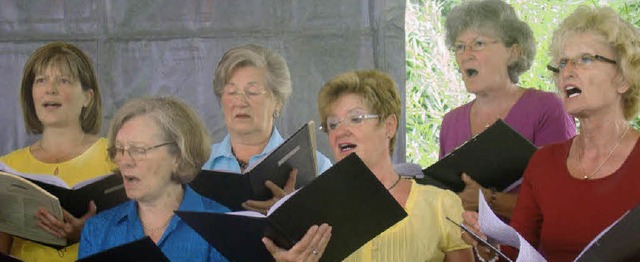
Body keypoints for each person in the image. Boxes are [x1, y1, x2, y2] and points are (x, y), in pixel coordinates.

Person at [462, 5, 640, 261]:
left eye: (586, 59)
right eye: (563, 62)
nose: (567, 71)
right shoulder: (544, 162)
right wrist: (488, 247)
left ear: (623, 78)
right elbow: (514, 253)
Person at [265, 70, 474, 261]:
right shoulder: (311, 212)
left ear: (389, 126)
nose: (341, 131)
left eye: (355, 119)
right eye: (333, 124)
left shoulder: (440, 203)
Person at [441, 0, 576, 218]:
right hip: (465, 250)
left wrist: (487, 199)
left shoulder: (546, 109)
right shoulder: (451, 122)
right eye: (459, 46)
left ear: (513, 52)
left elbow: (562, 201)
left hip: (526, 251)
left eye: (478, 44)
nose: (466, 54)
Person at [0, 42, 113, 261]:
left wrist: (89, 233)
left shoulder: (118, 157)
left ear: (87, 97)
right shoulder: (5, 168)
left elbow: (147, 235)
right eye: (41, 80)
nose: (50, 89)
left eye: (63, 80)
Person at [78, 97, 229, 261]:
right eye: (119, 149)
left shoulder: (223, 226)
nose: (125, 161)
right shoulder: (97, 230)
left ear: (178, 155)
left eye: (139, 150)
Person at [202, 44, 332, 213]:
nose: (240, 102)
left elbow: (336, 232)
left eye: (253, 91)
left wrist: (295, 213)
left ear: (278, 101)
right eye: (232, 92)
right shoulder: (198, 165)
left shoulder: (316, 167)